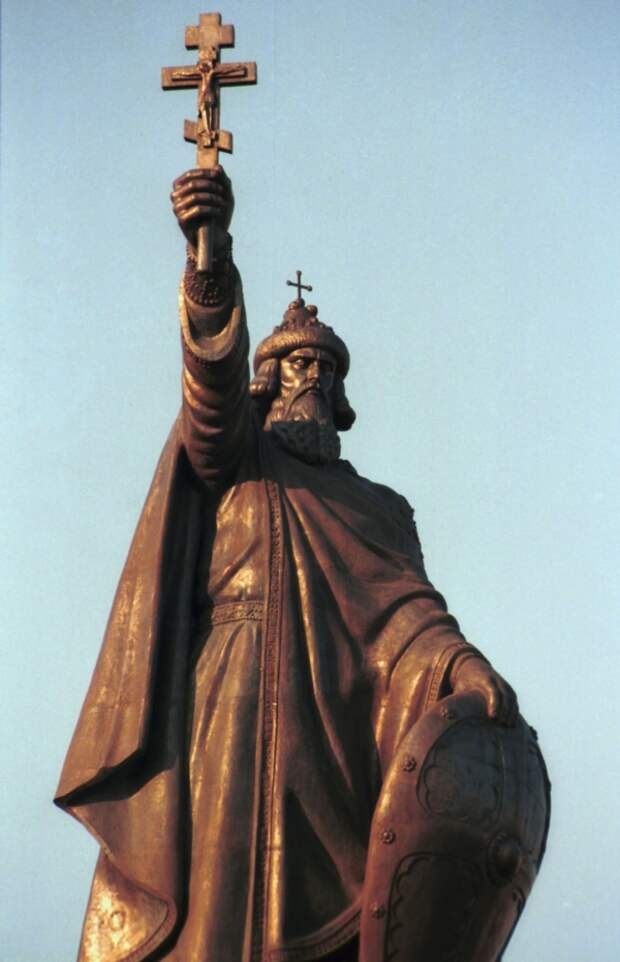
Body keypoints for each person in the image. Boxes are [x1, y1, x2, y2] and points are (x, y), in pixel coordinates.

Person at [56, 168, 549, 962]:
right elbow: (209, 394)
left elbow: (409, 618)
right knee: (219, 921)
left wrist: (460, 665)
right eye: (298, 365)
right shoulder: (237, 459)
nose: (314, 377)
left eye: (326, 369)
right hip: (234, 717)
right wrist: (210, 261)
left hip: (339, 753)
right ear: (269, 379)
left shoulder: (380, 509)